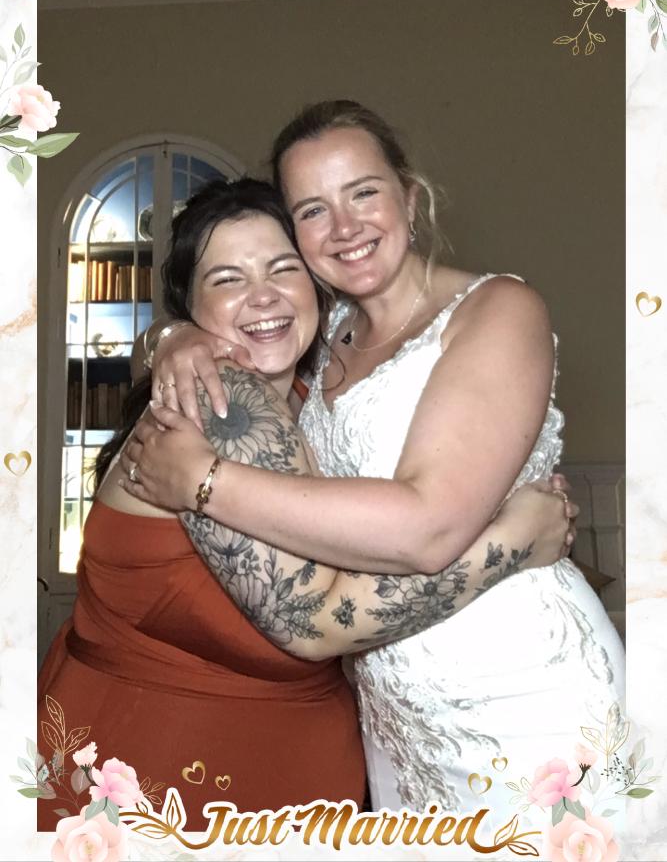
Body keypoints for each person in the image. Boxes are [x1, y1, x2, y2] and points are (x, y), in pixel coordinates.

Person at [120, 100, 624, 816]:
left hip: (525, 692)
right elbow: (233, 320)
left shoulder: (498, 310)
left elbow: (427, 526)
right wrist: (174, 336)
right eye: (313, 210)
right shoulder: (318, 339)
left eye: (363, 192)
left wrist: (202, 481)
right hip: (392, 716)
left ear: (410, 198)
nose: (344, 227)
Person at [38, 177, 572, 830]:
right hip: (168, 779)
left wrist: (166, 336)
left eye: (282, 268)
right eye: (227, 279)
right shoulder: (222, 399)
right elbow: (316, 623)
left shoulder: (308, 394)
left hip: (283, 777)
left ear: (318, 285)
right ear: (192, 305)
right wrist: (516, 539)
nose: (263, 295)